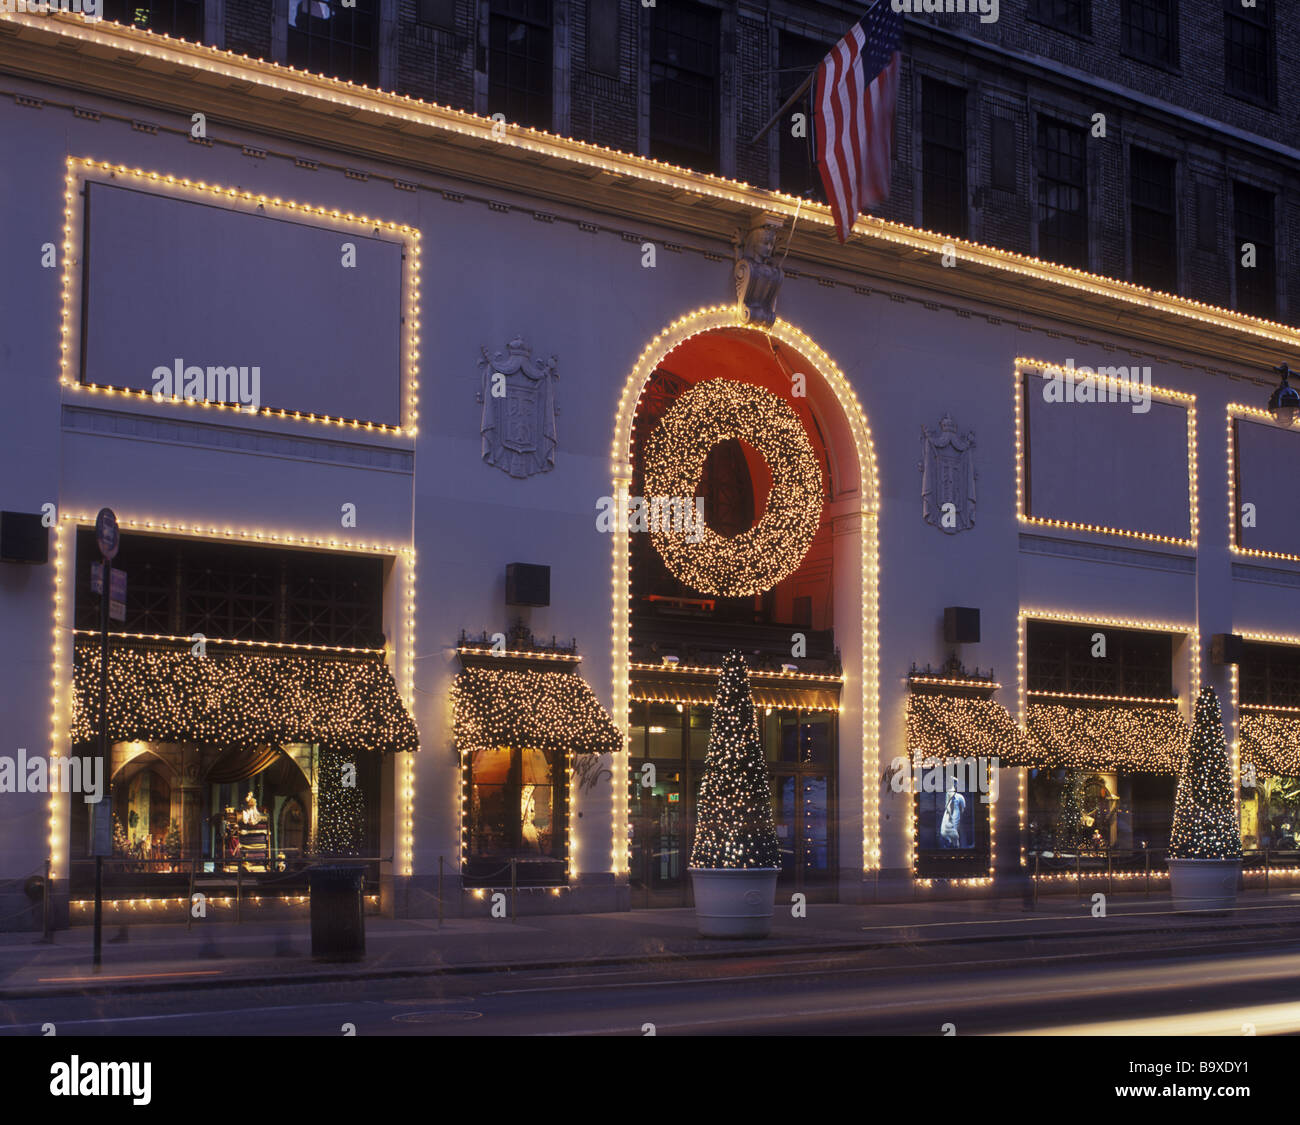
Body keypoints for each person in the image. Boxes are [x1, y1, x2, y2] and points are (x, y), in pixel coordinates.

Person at [940, 779, 966, 849]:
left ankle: (955, 846)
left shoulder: (959, 797)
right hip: (949, 814)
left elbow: (962, 808)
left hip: (955, 813)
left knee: (954, 830)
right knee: (944, 832)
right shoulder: (948, 794)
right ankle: (949, 844)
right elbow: (946, 805)